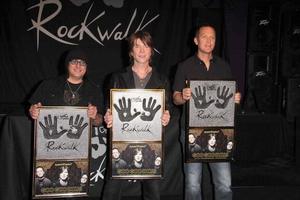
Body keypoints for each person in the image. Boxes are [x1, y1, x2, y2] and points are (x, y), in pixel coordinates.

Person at [173, 24, 241, 200]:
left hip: (220, 132)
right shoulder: (184, 66)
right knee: (193, 185)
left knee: (224, 184)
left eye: (212, 38)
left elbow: (230, 96)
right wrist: (183, 95)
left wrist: (236, 99)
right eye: (204, 37)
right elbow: (175, 98)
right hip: (191, 132)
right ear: (196, 40)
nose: (209, 41)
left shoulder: (224, 66)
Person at [102, 31, 171, 200]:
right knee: (111, 190)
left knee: (153, 192)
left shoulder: (162, 80)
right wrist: (108, 116)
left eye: (146, 46)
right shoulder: (117, 78)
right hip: (122, 140)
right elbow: (108, 108)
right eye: (137, 46)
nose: (141, 50)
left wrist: (166, 116)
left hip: (150, 142)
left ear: (151, 51)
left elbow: (166, 108)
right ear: (131, 52)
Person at [28, 48, 103, 126]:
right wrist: (33, 111)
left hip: (80, 136)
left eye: (82, 63)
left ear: (86, 67)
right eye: (74, 61)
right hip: (50, 136)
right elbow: (32, 108)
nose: (78, 65)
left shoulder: (94, 89)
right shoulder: (48, 84)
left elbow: (99, 121)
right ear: (67, 64)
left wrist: (94, 116)